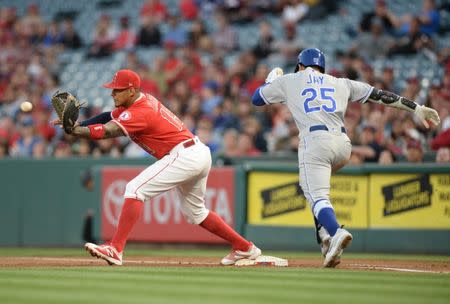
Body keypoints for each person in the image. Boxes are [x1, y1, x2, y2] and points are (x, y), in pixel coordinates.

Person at [251, 48, 440, 267]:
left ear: (301, 66)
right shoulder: (340, 82)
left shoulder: (291, 79)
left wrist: (269, 81)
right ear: (322, 67)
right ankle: (326, 241)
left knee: (316, 195)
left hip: (315, 141)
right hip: (343, 145)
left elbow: (257, 99)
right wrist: (415, 107)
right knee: (318, 193)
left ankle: (335, 233)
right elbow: (380, 95)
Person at [53, 69, 261, 266]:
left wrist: (78, 131)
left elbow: (108, 131)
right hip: (195, 152)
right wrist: (78, 124)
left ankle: (116, 248)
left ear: (132, 90)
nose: (113, 93)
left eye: (118, 89)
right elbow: (109, 115)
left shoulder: (141, 111)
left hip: (185, 155)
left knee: (134, 189)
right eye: (112, 89)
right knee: (195, 213)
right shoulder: (138, 102)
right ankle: (245, 247)